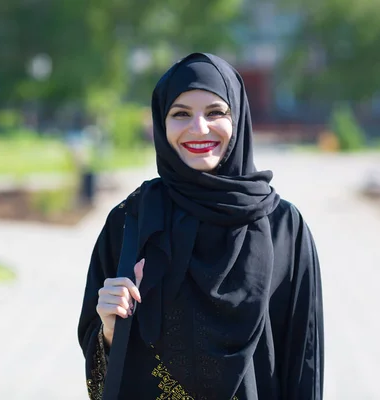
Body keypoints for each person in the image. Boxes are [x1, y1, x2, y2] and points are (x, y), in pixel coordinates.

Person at [78, 52, 324, 399]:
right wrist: (109, 332)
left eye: (215, 113)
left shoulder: (284, 227)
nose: (199, 128)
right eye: (181, 114)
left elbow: (304, 361)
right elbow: (101, 376)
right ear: (161, 125)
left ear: (237, 118)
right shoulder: (131, 220)